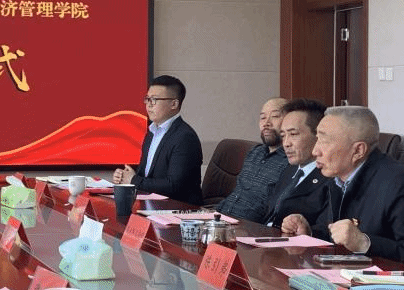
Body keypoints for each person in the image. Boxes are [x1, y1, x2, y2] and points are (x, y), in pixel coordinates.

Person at [281, 106, 404, 264]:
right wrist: (310, 232)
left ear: (358, 151)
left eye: (325, 141)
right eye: (318, 138)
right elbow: (338, 232)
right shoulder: (339, 178)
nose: (315, 151)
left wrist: (364, 243)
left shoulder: (399, 185)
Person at [113, 75, 203, 205]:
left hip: (178, 209)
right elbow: (145, 176)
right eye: (147, 99)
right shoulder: (152, 133)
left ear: (174, 104)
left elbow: (174, 186)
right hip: (153, 206)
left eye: (155, 99)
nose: (149, 104)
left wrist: (133, 180)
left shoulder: (185, 137)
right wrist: (125, 176)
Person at [215, 97, 289, 221]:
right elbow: (237, 192)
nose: (266, 123)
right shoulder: (255, 152)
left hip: (248, 227)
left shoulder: (290, 161)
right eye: (263, 117)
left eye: (275, 116)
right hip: (221, 218)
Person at [262, 98, 330, 227]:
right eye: (283, 135)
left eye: (293, 134)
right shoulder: (289, 170)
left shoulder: (330, 177)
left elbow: (323, 231)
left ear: (318, 136)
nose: (286, 143)